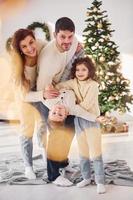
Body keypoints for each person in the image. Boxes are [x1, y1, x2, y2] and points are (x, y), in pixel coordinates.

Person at [36, 17, 82, 186]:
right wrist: (59, 109)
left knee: (70, 130)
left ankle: (62, 163)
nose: (67, 41)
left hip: (63, 94)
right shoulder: (49, 59)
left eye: (70, 36)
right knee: (57, 135)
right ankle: (53, 175)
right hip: (48, 99)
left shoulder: (73, 41)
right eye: (62, 37)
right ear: (55, 34)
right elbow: (44, 92)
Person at [55, 56, 106, 194]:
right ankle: (86, 177)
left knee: (95, 152)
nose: (80, 72)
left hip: (91, 121)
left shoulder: (93, 85)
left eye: (84, 69)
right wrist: (54, 90)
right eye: (77, 69)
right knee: (83, 151)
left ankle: (100, 181)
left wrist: (71, 107)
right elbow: (59, 86)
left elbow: (87, 105)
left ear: (90, 71)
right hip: (78, 120)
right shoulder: (73, 82)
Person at [11, 28, 48, 180]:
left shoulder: (42, 45)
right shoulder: (18, 65)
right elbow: (23, 95)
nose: (30, 48)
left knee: (44, 126)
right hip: (24, 97)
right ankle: (28, 166)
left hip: (40, 92)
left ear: (35, 39)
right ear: (19, 49)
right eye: (24, 47)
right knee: (27, 130)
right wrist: (42, 95)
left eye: (31, 42)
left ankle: (47, 158)